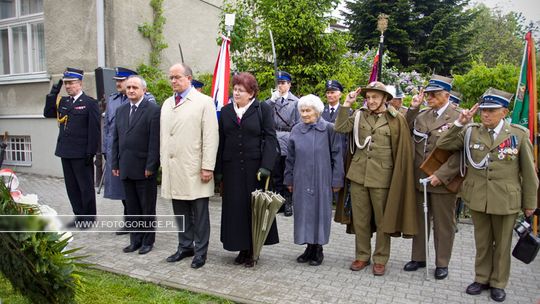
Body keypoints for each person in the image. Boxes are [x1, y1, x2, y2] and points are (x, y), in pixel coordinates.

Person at [437, 88, 538, 302]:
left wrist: (530, 204)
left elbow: (529, 174)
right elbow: (443, 144)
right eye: (483, 111)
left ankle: (498, 283)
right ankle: (481, 278)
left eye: (491, 111)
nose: (486, 115)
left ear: (504, 112)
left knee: (502, 245)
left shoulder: (518, 136)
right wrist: (459, 123)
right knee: (482, 243)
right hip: (478, 198)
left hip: (506, 199)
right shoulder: (471, 131)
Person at [334, 81, 416, 276]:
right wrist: (346, 104)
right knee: (360, 220)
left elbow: (403, 151)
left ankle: (380, 259)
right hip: (358, 175)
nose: (370, 101)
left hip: (383, 178)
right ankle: (362, 256)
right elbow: (340, 128)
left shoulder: (396, 119)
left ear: (385, 99)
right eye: (368, 97)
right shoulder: (359, 114)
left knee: (382, 221)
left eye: (375, 97)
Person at [216, 72, 279, 267]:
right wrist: (218, 168)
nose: (236, 93)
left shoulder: (263, 109)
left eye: (241, 90)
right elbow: (221, 141)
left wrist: (266, 165)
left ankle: (253, 250)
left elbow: (270, 138)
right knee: (236, 209)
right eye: (235, 89)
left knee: (254, 209)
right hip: (231, 168)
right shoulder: (226, 111)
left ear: (251, 93)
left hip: (255, 169)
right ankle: (241, 248)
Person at [161, 63, 219, 269]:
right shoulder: (167, 103)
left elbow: (211, 137)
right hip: (174, 168)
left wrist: (208, 166)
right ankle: (185, 246)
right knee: (180, 210)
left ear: (189, 78)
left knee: (199, 212)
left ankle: (201, 251)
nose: (173, 81)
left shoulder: (204, 102)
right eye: (171, 78)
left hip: (194, 168)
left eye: (177, 77)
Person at [404, 75, 461, 280]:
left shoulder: (458, 117)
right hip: (421, 178)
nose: (429, 97)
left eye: (434, 94)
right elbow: (404, 129)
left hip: (442, 180)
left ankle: (442, 262)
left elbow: (460, 153)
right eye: (428, 94)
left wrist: (441, 175)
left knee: (443, 224)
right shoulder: (422, 116)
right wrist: (413, 108)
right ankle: (419, 257)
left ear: (446, 95)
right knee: (420, 219)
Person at [284, 94, 344, 266]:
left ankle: (318, 249)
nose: (304, 114)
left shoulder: (330, 130)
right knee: (304, 213)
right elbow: (290, 157)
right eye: (301, 111)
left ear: (317, 111)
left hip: (322, 179)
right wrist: (289, 179)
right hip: (301, 178)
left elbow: (337, 156)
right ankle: (308, 247)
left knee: (319, 213)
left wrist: (336, 181)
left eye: (308, 110)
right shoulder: (296, 129)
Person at [43, 67, 100, 227]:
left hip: (82, 153)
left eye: (71, 83)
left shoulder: (90, 103)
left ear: (80, 83)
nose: (68, 86)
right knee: (72, 187)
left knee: (85, 187)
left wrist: (91, 152)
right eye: (66, 83)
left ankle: (89, 218)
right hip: (66, 151)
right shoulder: (64, 101)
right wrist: (54, 91)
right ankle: (79, 216)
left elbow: (94, 130)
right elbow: (47, 113)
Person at [111, 75, 160, 255]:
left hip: (144, 169)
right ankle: (135, 240)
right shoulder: (121, 110)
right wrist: (115, 163)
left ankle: (148, 241)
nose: (131, 90)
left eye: (135, 88)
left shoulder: (153, 110)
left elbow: (154, 142)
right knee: (131, 207)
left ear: (144, 90)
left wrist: (151, 166)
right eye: (129, 87)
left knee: (147, 207)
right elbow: (116, 138)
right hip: (126, 166)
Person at [102, 67, 137, 235]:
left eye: (121, 80)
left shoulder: (143, 99)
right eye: (116, 80)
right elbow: (107, 127)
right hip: (115, 152)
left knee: (133, 191)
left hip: (132, 154)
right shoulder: (113, 99)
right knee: (121, 191)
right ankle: (129, 221)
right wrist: (104, 149)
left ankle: (137, 224)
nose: (118, 83)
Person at [266, 71, 300, 216]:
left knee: (287, 171)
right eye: (279, 83)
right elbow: (262, 110)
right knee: (276, 173)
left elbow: (298, 123)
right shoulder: (273, 100)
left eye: (283, 83)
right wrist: (272, 99)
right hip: (274, 137)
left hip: (288, 137)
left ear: (289, 84)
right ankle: (278, 201)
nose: (281, 86)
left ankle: (288, 203)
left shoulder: (296, 101)